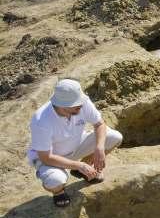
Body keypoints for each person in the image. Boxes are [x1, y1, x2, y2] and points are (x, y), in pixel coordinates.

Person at [27, 79, 123, 207]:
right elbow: (46, 157)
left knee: (114, 137)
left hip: (76, 145)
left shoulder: (82, 102)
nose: (81, 106)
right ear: (62, 105)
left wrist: (99, 148)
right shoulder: (41, 120)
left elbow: (99, 124)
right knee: (55, 180)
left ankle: (83, 169)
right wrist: (77, 164)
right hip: (50, 159)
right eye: (76, 105)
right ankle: (58, 192)